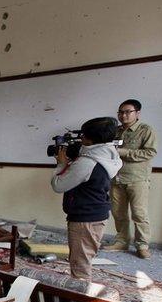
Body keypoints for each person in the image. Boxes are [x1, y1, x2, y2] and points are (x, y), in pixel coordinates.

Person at [50, 117, 123, 281]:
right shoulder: (110, 155)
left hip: (85, 218)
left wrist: (61, 164)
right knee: (84, 258)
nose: (81, 138)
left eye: (83, 135)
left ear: (90, 138)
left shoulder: (87, 162)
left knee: (80, 265)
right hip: (97, 214)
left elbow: (58, 185)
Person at [108, 99, 158, 258]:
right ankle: (121, 242)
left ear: (137, 113)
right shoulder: (114, 131)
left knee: (139, 214)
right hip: (116, 178)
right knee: (118, 212)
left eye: (128, 112)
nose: (123, 115)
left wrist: (123, 152)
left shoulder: (146, 130)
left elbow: (150, 152)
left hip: (137, 179)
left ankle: (142, 245)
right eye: (120, 112)